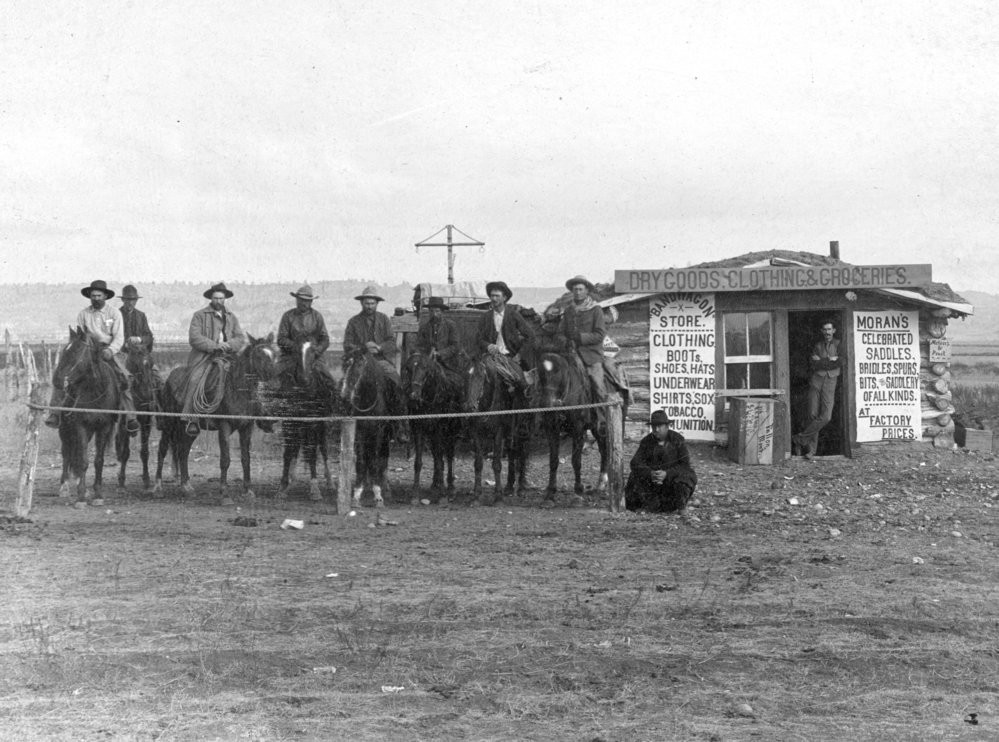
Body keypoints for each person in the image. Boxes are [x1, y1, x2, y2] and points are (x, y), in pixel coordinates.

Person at [45, 280, 140, 435]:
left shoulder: (114, 313)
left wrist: (110, 350)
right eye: (93, 296)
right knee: (64, 373)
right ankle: (55, 413)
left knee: (124, 378)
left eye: (98, 295)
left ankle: (130, 417)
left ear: (105, 296)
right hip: (87, 351)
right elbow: (79, 337)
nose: (95, 298)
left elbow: (119, 337)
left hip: (108, 351)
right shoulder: (83, 314)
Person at [175, 282, 247, 437]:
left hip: (228, 356)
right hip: (204, 357)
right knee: (195, 379)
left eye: (221, 298)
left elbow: (240, 338)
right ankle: (192, 418)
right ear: (211, 299)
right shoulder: (200, 315)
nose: (219, 301)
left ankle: (254, 414)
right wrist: (214, 346)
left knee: (247, 377)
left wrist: (228, 345)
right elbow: (194, 338)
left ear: (225, 299)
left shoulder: (232, 317)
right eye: (216, 298)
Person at [343, 285, 408, 442]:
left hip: (380, 361)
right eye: (367, 303)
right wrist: (363, 347)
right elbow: (347, 344)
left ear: (377, 304)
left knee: (396, 381)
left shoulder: (384, 320)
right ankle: (346, 418)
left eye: (372, 303)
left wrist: (379, 347)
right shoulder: (353, 322)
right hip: (360, 361)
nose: (369, 306)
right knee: (346, 386)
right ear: (362, 303)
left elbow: (391, 342)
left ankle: (399, 425)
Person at [625, 410, 697, 513]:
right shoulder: (646, 441)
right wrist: (650, 473)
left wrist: (667, 474)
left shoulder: (677, 440)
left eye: (659, 426)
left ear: (667, 426)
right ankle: (645, 506)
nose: (656, 429)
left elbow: (685, 465)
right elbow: (635, 463)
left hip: (671, 483)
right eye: (654, 426)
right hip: (652, 485)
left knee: (687, 476)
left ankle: (680, 506)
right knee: (634, 476)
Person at [792, 319, 845, 460]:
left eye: (829, 329)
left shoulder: (839, 345)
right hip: (816, 380)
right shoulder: (817, 346)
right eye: (825, 330)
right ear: (822, 331)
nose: (827, 332)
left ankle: (799, 439)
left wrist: (822, 362)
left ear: (833, 331)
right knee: (812, 415)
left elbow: (841, 361)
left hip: (830, 381)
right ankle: (811, 451)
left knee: (826, 416)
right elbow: (814, 365)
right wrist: (829, 361)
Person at [559, 275, 608, 426]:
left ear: (587, 291)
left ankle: (602, 420)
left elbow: (600, 335)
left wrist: (580, 337)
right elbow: (561, 332)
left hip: (591, 356)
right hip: (570, 354)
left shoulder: (596, 310)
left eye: (581, 289)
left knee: (598, 385)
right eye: (575, 290)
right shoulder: (568, 311)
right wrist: (565, 340)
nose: (578, 292)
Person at [475, 280, 536, 389]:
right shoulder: (485, 317)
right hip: (490, 357)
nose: (494, 299)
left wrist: (519, 355)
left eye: (497, 296)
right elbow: (479, 339)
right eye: (492, 296)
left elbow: (530, 336)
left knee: (521, 386)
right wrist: (488, 346)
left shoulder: (514, 315)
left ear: (504, 298)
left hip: (511, 358)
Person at [276, 284, 336, 385]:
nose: (303, 303)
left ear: (311, 302)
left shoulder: (317, 316)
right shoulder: (288, 316)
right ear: (296, 300)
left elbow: (325, 338)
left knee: (329, 380)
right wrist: (295, 346)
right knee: (275, 377)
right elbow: (281, 338)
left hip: (313, 355)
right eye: (301, 300)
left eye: (306, 300)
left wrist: (318, 349)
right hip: (290, 356)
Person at [416, 296, 463, 371]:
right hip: (428, 363)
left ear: (442, 312)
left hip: (448, 364)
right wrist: (426, 355)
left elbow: (455, 346)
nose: (434, 314)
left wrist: (440, 353)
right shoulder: (424, 327)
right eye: (431, 311)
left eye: (437, 311)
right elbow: (419, 345)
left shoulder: (450, 325)